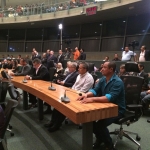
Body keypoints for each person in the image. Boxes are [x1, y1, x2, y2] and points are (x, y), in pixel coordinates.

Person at [77, 62, 126, 150]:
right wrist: (86, 95)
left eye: (104, 67)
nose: (101, 69)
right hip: (105, 107)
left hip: (117, 109)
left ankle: (109, 145)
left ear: (111, 69)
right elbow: (95, 90)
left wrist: (92, 99)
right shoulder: (103, 79)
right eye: (102, 67)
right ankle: (101, 139)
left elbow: (109, 98)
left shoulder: (118, 82)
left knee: (100, 125)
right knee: (90, 121)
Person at [45, 62, 94, 132]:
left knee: (63, 106)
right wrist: (70, 92)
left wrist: (72, 94)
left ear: (85, 69)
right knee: (58, 104)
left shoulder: (89, 78)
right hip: (73, 93)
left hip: (80, 97)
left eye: (80, 68)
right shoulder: (79, 75)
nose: (78, 69)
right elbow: (74, 86)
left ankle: (57, 125)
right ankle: (52, 122)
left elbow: (83, 91)